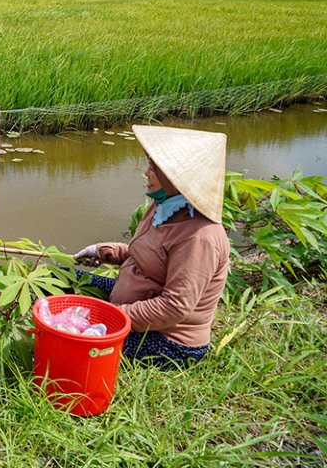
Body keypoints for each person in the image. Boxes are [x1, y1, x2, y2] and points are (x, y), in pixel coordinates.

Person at [73, 125, 230, 367]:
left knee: (74, 339)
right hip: (129, 304)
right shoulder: (163, 207)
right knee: (64, 277)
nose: (146, 173)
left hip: (168, 343)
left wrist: (111, 316)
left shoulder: (200, 237)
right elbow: (149, 258)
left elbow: (174, 307)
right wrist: (104, 251)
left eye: (154, 168)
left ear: (176, 176)